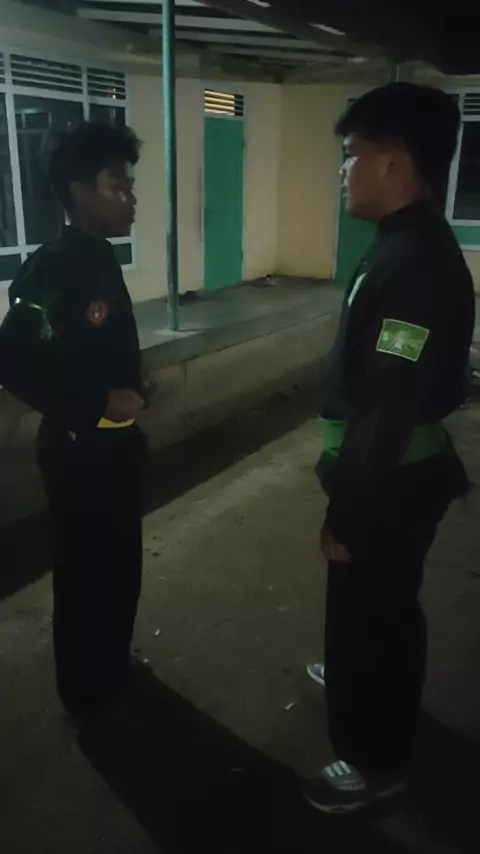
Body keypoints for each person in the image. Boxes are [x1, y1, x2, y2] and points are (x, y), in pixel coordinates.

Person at [304, 84, 474, 814]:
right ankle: (355, 676)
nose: (343, 171)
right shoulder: (404, 242)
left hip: (387, 480)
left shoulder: (416, 266)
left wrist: (346, 508)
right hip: (387, 473)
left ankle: (377, 759)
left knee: (378, 616)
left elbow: (390, 406)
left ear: (395, 161)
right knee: (369, 611)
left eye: (351, 156)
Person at [0, 122, 147, 716]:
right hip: (79, 452)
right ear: (80, 192)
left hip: (116, 449)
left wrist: (132, 388)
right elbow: (12, 360)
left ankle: (111, 665)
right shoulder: (54, 266)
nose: (131, 199)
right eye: (118, 187)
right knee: (86, 574)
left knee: (120, 566)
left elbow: (86, 349)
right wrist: (97, 401)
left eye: (130, 186)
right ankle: (85, 690)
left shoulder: (100, 258)